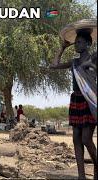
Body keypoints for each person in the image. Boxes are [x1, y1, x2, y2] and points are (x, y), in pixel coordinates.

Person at [50, 28, 97, 179]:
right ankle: (81, 176)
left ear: (88, 44)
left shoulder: (94, 58)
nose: (76, 45)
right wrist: (62, 47)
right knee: (76, 138)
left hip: (90, 100)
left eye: (80, 42)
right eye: (75, 42)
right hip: (76, 100)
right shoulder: (74, 62)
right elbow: (54, 65)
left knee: (86, 139)